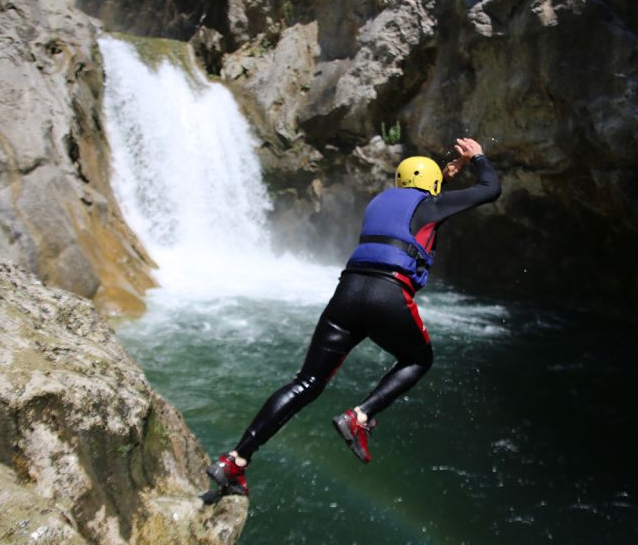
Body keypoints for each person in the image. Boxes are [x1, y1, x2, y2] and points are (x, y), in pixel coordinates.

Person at [202, 137, 501, 503]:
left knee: (306, 382)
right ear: (433, 186)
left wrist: (446, 173)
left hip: (347, 293)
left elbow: (417, 205)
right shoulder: (433, 204)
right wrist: (478, 159)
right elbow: (490, 190)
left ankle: (235, 460)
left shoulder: (380, 201)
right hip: (387, 294)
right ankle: (360, 415)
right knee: (418, 359)